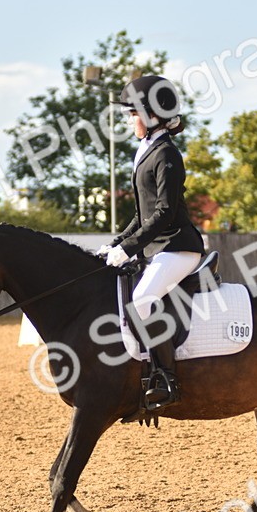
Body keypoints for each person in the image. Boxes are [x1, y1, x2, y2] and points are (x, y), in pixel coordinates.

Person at [97, 75, 203, 412]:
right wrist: (117, 243)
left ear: (152, 116)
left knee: (141, 301)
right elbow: (141, 213)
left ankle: (166, 379)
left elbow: (164, 213)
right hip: (158, 248)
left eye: (133, 114)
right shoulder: (147, 150)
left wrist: (128, 249)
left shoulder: (167, 154)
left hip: (178, 246)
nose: (129, 120)